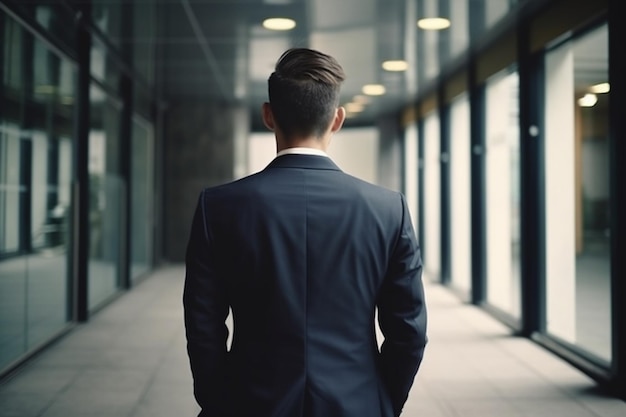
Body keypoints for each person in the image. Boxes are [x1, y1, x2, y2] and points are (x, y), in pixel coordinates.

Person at [183, 47, 427, 417]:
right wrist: (381, 401)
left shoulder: (218, 207)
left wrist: (220, 401)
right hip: (357, 401)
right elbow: (408, 331)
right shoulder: (387, 208)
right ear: (338, 119)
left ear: (268, 115)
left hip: (248, 402)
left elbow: (203, 327)